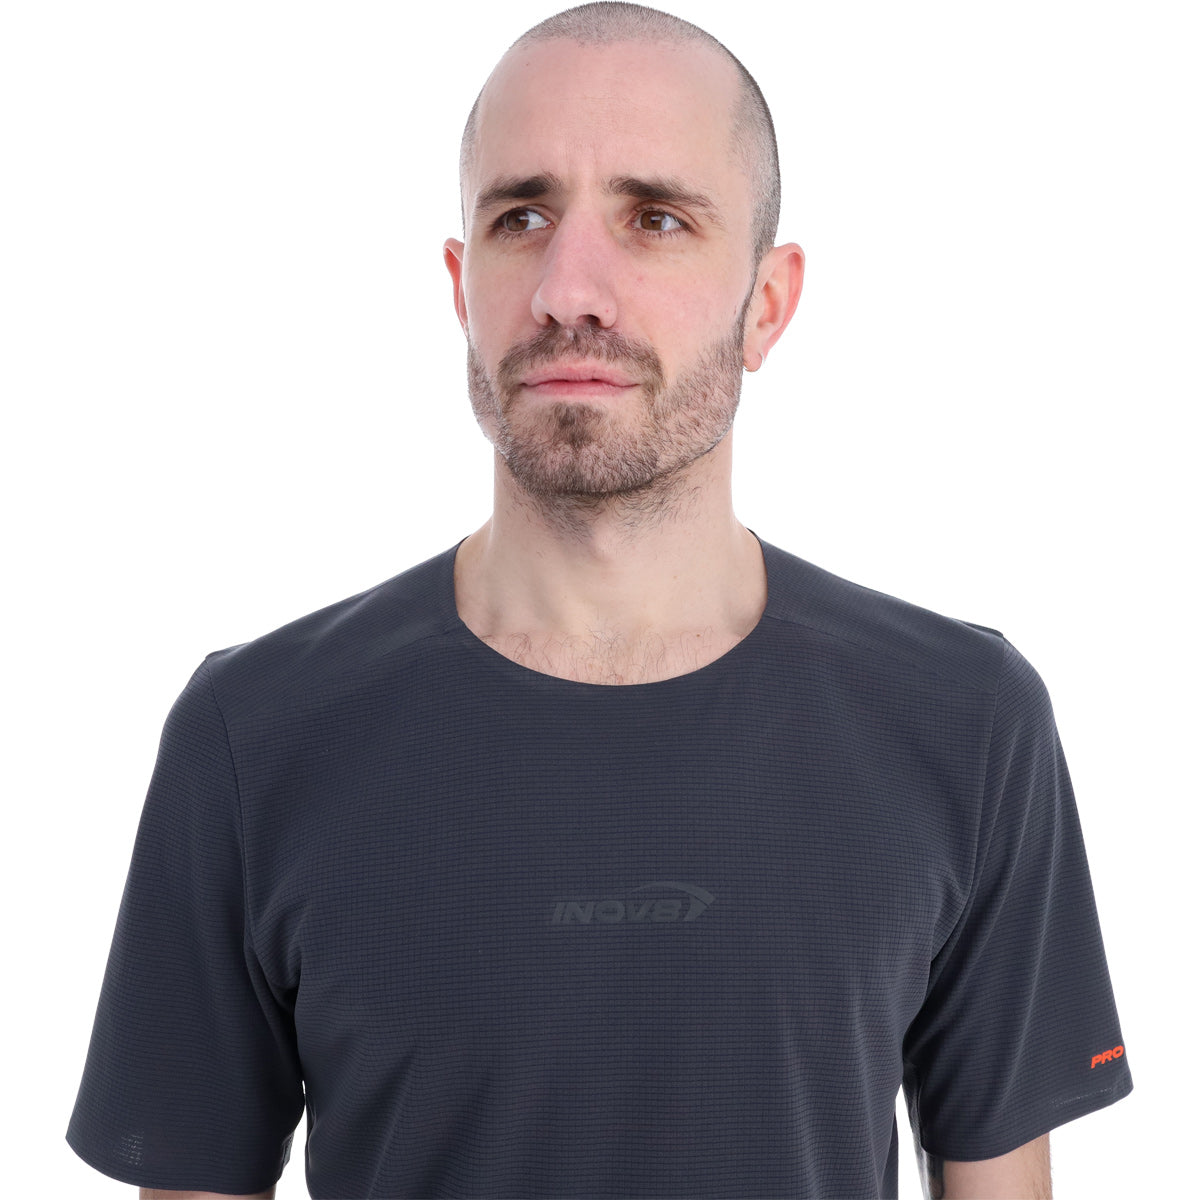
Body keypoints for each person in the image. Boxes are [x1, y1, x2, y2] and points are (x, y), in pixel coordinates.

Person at [66, 4, 1132, 1198]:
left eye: (655, 219)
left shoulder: (965, 723)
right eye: (521, 217)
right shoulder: (254, 736)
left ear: (768, 304)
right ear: (461, 286)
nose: (571, 290)